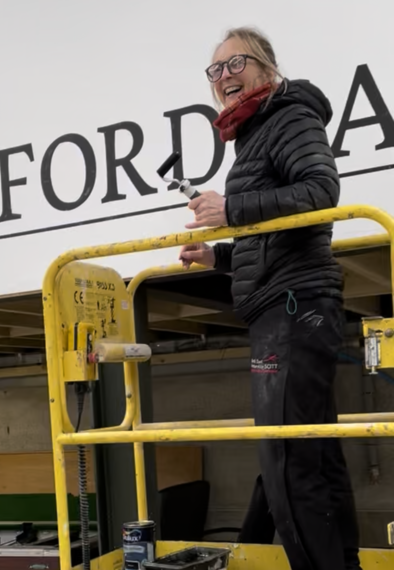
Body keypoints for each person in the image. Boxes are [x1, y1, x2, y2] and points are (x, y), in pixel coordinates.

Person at [179, 27, 361, 570]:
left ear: (266, 69)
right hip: (286, 305)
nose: (224, 77)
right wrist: (218, 257)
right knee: (312, 455)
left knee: (288, 462)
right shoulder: (255, 134)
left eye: (234, 63)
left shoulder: (289, 115)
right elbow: (275, 237)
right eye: (215, 70)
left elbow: (320, 192)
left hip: (294, 307)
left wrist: (231, 211)